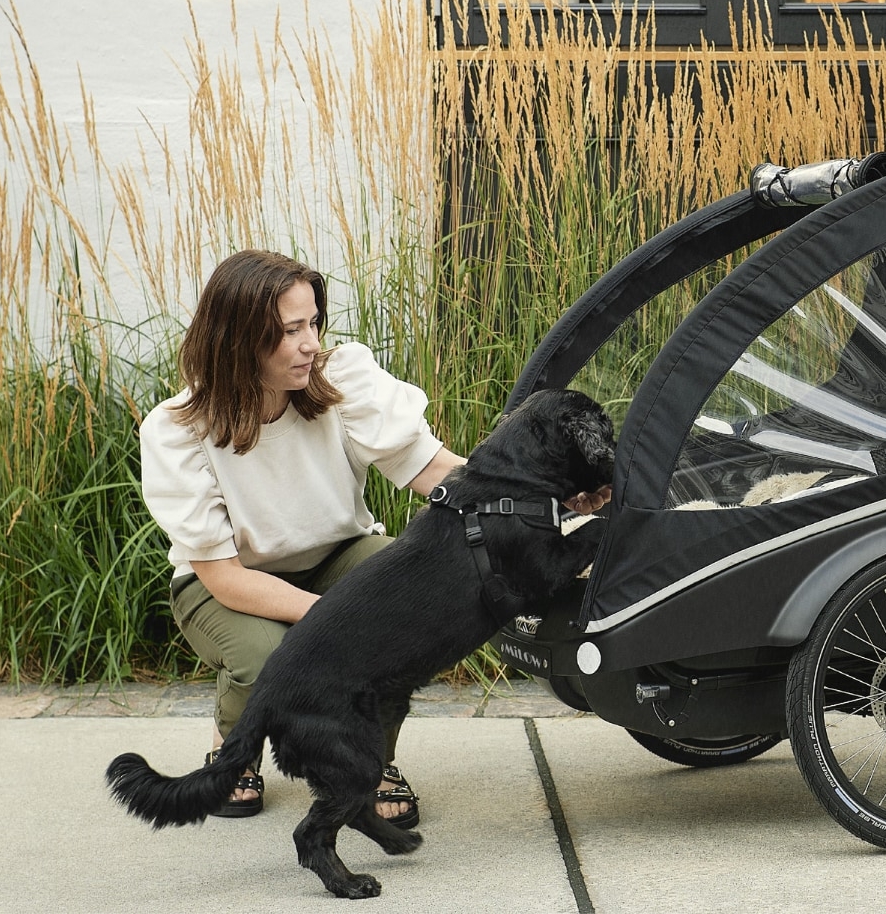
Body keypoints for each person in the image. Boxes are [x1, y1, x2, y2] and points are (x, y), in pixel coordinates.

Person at [140, 250, 607, 823]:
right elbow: (225, 578)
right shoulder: (178, 430)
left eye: (314, 323)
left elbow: (438, 473)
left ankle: (370, 762)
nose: (311, 344)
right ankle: (233, 744)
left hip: (340, 555)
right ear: (237, 338)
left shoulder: (339, 380)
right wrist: (340, 621)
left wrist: (549, 503)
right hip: (225, 587)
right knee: (267, 657)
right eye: (290, 330)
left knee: (406, 612)